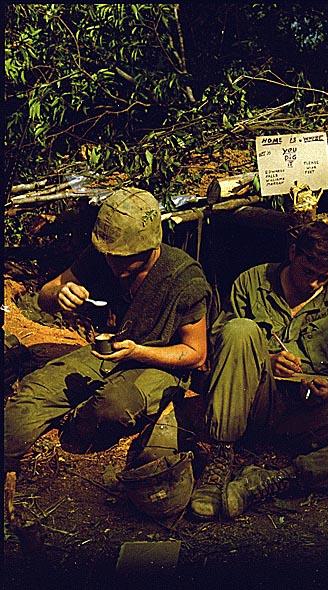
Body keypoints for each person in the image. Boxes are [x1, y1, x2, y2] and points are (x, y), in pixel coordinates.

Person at [4, 187, 211, 517]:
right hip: (109, 350)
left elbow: (195, 354)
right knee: (33, 393)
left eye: (124, 257)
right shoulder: (102, 257)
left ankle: (72, 422)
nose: (114, 263)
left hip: (159, 364)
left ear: (150, 246)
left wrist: (138, 352)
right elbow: (43, 297)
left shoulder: (184, 278)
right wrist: (60, 293)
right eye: (109, 255)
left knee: (113, 405)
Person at [190, 220, 328, 520]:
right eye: (308, 272)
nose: (313, 284)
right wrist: (265, 359)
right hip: (252, 398)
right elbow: (218, 345)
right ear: (293, 253)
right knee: (240, 330)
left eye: (324, 277)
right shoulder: (252, 282)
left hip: (307, 408)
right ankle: (221, 455)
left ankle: (277, 479)